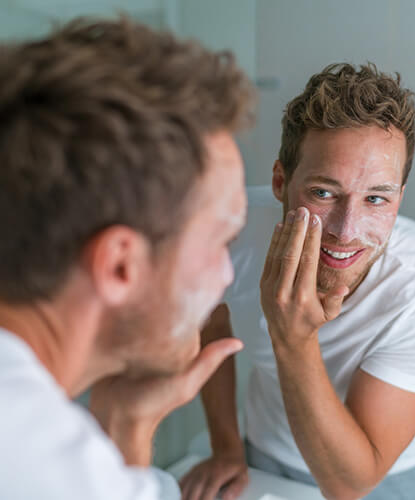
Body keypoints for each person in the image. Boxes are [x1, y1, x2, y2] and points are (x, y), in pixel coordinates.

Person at [180, 63, 415, 500]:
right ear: (281, 181)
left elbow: (350, 483)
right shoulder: (232, 232)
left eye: (376, 198)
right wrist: (226, 447)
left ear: (399, 198)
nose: (346, 229)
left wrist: (293, 338)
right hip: (264, 457)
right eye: (323, 193)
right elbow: (212, 324)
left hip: (385, 477)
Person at [0, 17, 255, 500]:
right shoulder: (49, 469)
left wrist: (128, 422)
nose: (226, 276)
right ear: (120, 266)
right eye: (222, 241)